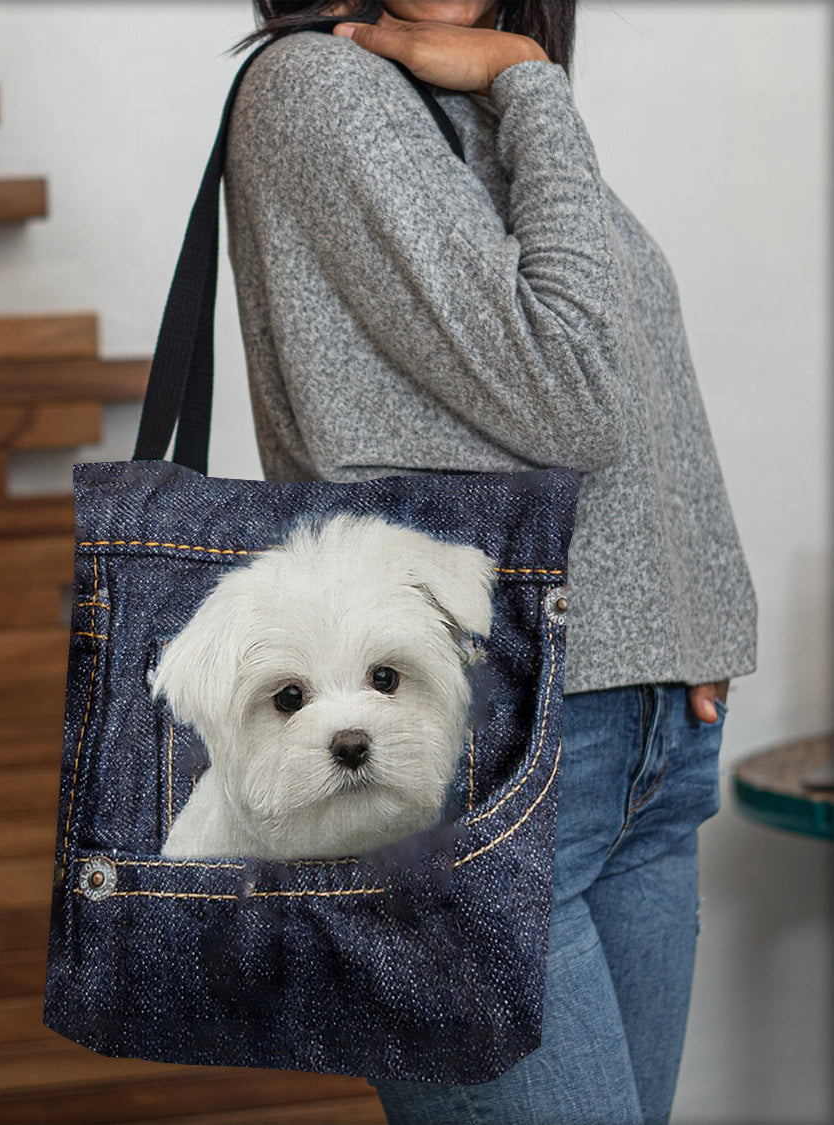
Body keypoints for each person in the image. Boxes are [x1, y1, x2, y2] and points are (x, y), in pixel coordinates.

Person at [221, 2, 758, 1122]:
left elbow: (638, 375)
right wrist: (532, 78)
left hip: (639, 746)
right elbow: (575, 393)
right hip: (477, 759)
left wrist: (685, 630)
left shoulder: (468, 97)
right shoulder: (323, 89)